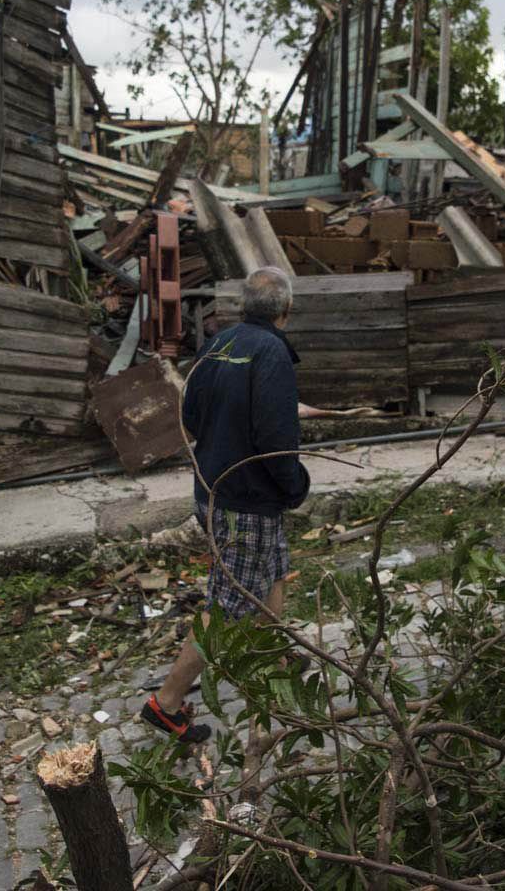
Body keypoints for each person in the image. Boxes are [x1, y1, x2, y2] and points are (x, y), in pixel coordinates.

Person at [140, 267, 310, 743]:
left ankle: (275, 653)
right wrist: (293, 483)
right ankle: (166, 702)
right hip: (248, 499)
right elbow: (277, 435)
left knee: (273, 568)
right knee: (228, 604)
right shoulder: (272, 352)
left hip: (214, 488)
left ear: (244, 306)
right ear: (285, 311)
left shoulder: (218, 345)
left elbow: (189, 414)